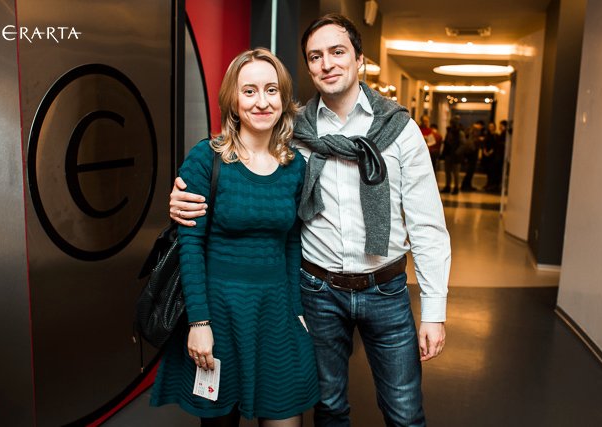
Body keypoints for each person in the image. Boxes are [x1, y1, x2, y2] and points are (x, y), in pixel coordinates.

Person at [170, 14, 450, 427]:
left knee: (405, 413)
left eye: (338, 52)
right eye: (316, 56)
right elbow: (238, 188)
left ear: (360, 59)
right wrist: (179, 201)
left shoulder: (399, 129)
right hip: (317, 291)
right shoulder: (294, 135)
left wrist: (434, 310)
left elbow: (427, 225)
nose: (327, 63)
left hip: (385, 289)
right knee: (329, 407)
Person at [151, 48, 319, 427]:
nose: (262, 102)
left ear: (283, 98)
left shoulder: (295, 165)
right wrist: (199, 324)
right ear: (233, 99)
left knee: (285, 413)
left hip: (276, 313)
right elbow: (191, 246)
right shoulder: (206, 158)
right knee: (220, 419)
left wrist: (296, 310)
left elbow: (291, 242)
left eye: (271, 90)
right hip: (220, 312)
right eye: (249, 91)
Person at [440, 115, 465, 194]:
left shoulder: (460, 132)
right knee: (447, 172)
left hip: (456, 156)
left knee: (455, 173)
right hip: (448, 154)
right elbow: (446, 142)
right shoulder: (449, 131)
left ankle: (456, 187)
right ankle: (448, 186)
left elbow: (463, 144)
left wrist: (457, 152)